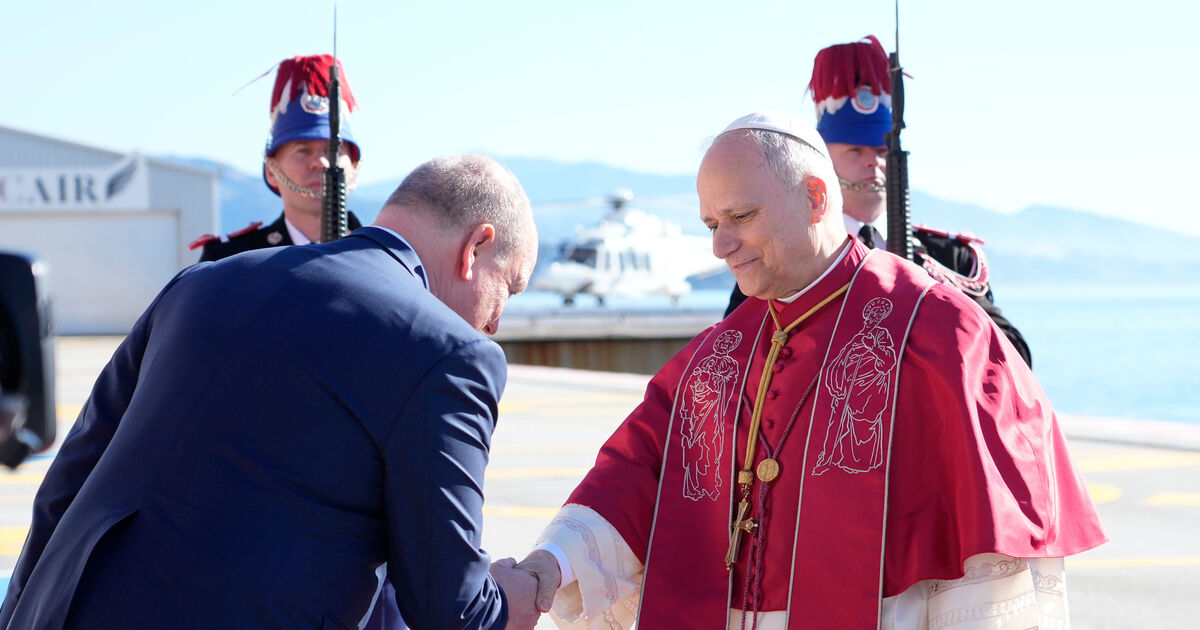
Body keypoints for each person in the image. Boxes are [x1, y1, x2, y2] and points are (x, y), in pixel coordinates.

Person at [513, 112, 1106, 629]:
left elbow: (989, 555)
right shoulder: (718, 352)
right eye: (711, 224)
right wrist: (547, 566)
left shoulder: (937, 333)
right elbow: (636, 470)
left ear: (817, 198)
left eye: (740, 216)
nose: (720, 246)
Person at [0, 154, 545, 629]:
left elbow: (68, 482)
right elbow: (452, 610)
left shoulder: (202, 283)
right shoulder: (449, 354)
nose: (495, 323)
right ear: (477, 246)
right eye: (509, 288)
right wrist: (515, 594)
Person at [724, 36, 1032, 367]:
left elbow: (1014, 356)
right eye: (855, 151)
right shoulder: (782, 261)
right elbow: (736, 359)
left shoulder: (948, 258)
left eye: (882, 151)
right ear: (822, 161)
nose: (874, 162)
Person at [189, 54, 365, 261]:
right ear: (271, 171)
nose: (321, 162)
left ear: (355, 168)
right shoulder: (230, 259)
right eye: (303, 150)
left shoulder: (383, 256)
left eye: (334, 150)